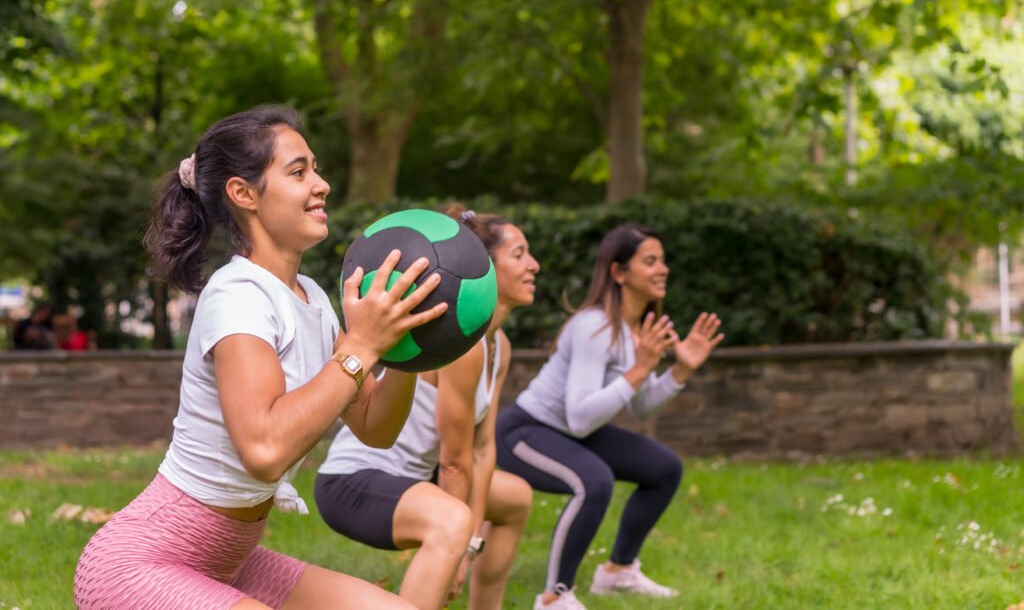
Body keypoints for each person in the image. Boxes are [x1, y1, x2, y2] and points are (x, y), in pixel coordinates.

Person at [74, 105, 447, 610]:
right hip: (139, 566)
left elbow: (375, 427)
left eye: (315, 168)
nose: (322, 185)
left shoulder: (313, 298)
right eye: (298, 172)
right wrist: (361, 347)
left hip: (231, 561)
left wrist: (406, 347)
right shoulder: (237, 294)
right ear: (243, 193)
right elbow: (265, 450)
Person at [314, 206, 538, 610]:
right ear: (482, 267)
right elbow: (454, 461)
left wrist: (468, 547)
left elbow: (483, 450)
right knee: (449, 522)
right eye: (520, 254)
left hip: (419, 477)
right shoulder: (461, 351)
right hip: (355, 480)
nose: (534, 265)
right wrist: (459, 547)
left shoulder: (497, 346)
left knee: (516, 497)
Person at [495, 224, 725, 610]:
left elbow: (641, 405)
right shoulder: (594, 327)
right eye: (650, 261)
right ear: (619, 272)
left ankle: (617, 572)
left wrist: (680, 371)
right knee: (594, 480)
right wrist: (640, 370)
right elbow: (581, 416)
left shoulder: (636, 330)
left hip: (571, 433)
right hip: (524, 432)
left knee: (663, 468)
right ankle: (554, 598)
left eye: (663, 261)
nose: (663, 269)